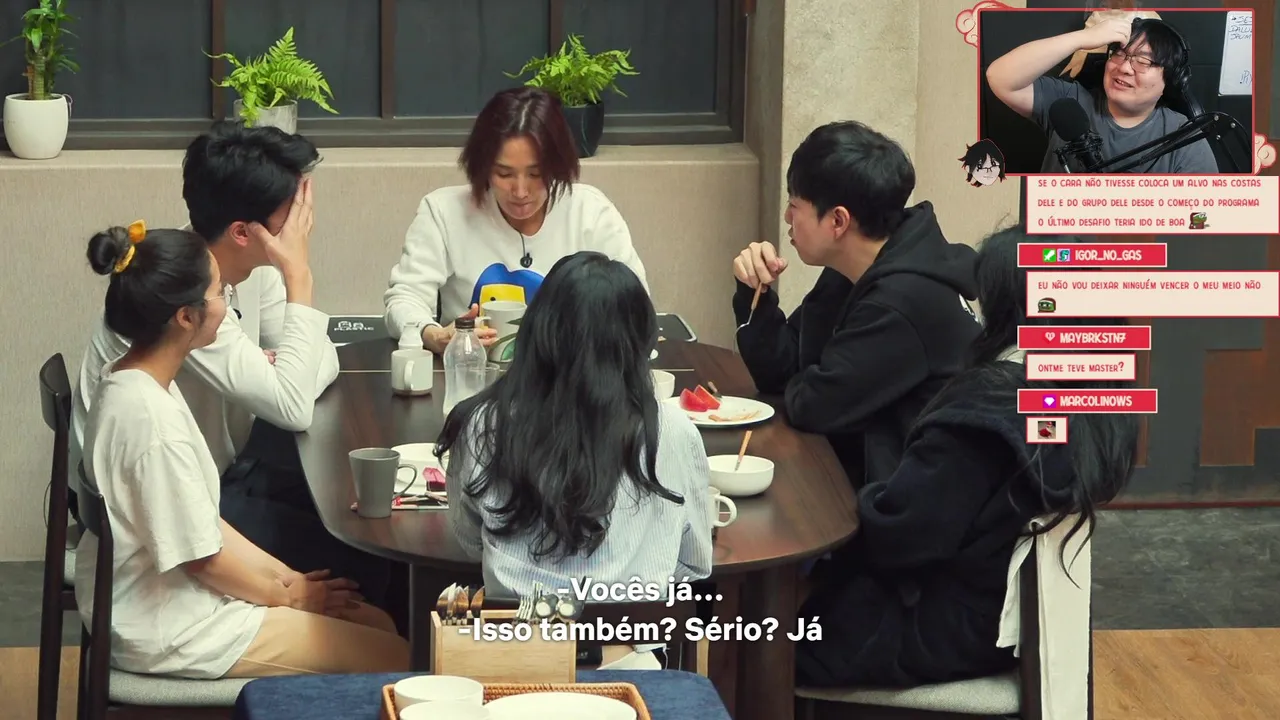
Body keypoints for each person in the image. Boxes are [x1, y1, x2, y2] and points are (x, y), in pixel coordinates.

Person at [70, 122, 395, 613]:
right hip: (168, 502)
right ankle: (383, 646)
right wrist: (299, 276)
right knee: (365, 556)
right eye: (292, 214)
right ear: (244, 232)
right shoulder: (189, 302)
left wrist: (290, 368)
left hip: (215, 468)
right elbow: (293, 402)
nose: (302, 225)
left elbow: (316, 360)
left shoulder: (237, 268)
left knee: (349, 499)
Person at [794, 225, 1138, 688]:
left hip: (943, 622)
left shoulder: (988, 404)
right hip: (1008, 614)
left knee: (764, 632)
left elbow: (901, 536)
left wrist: (864, 497)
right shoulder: (1095, 399)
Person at [75, 223, 409, 679]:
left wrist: (288, 581)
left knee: (375, 620)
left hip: (164, 598)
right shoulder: (152, 423)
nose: (227, 306)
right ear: (185, 317)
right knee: (395, 654)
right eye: (219, 294)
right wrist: (288, 597)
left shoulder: (132, 378)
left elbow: (205, 525)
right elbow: (203, 561)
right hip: (170, 628)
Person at [435, 251, 712, 667]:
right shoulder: (673, 432)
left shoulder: (480, 424)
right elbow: (694, 564)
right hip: (629, 665)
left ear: (536, 331)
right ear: (639, 343)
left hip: (509, 662)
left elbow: (471, 539)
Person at [732, 121, 981, 488]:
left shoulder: (903, 301)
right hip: (858, 475)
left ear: (838, 220)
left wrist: (809, 378)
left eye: (794, 205)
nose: (787, 217)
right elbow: (783, 372)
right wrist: (755, 291)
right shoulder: (856, 267)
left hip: (911, 502)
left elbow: (812, 406)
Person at [384, 87, 649, 353]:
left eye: (536, 174)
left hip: (567, 375)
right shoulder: (444, 212)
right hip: (472, 372)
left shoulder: (591, 212)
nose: (520, 191)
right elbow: (405, 299)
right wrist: (434, 336)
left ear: (558, 165)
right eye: (504, 174)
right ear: (482, 166)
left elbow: (635, 307)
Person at [986, 16, 1218, 173]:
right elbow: (999, 77)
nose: (1124, 67)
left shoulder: (1185, 139)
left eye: (1143, 61)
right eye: (1119, 54)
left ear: (1172, 80)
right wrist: (1082, 39)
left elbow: (1202, 218)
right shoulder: (1069, 102)